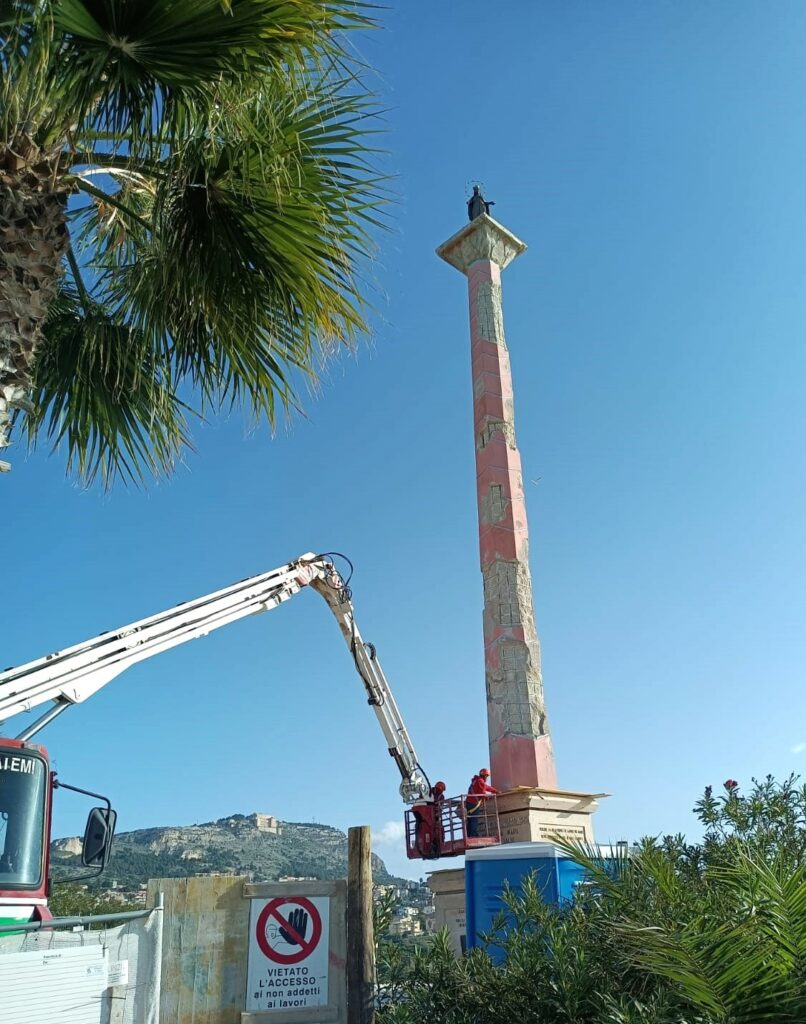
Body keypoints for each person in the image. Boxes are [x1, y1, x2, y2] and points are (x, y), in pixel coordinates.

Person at [465, 768, 498, 838]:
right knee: (474, 819)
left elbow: (486, 787)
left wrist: (495, 791)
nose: (487, 778)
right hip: (473, 804)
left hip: (470, 803)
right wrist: (487, 797)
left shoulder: (476, 781)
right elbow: (482, 792)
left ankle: (469, 835)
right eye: (487, 776)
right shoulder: (480, 781)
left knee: (470, 819)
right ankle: (473, 835)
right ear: (484, 775)